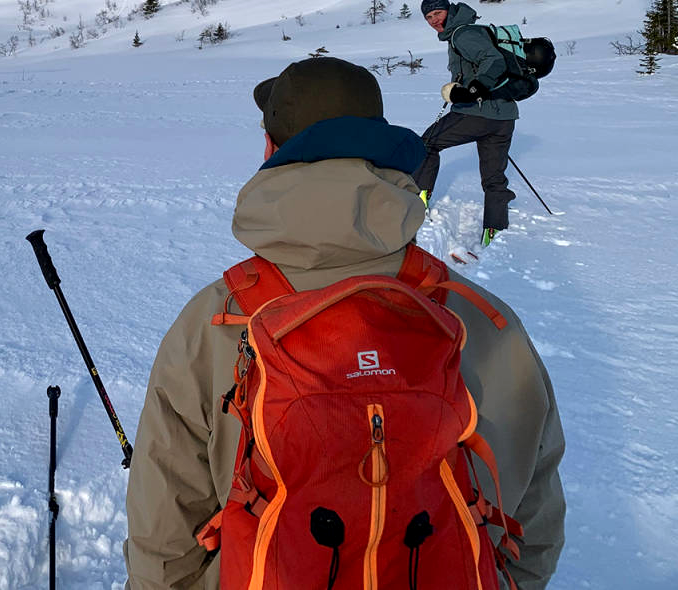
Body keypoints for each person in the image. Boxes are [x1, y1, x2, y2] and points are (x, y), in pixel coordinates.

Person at [123, 56, 565, 590]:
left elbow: (165, 536)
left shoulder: (215, 322)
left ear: (271, 152)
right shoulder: (483, 319)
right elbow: (533, 521)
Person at [413, 0, 523, 247]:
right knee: (494, 177)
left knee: (427, 143)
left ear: (448, 11)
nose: (433, 20)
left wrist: (473, 89)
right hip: (503, 117)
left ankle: (418, 200)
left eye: (437, 13)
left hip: (477, 113)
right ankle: (494, 230)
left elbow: (493, 61)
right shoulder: (465, 32)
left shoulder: (463, 34)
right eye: (428, 17)